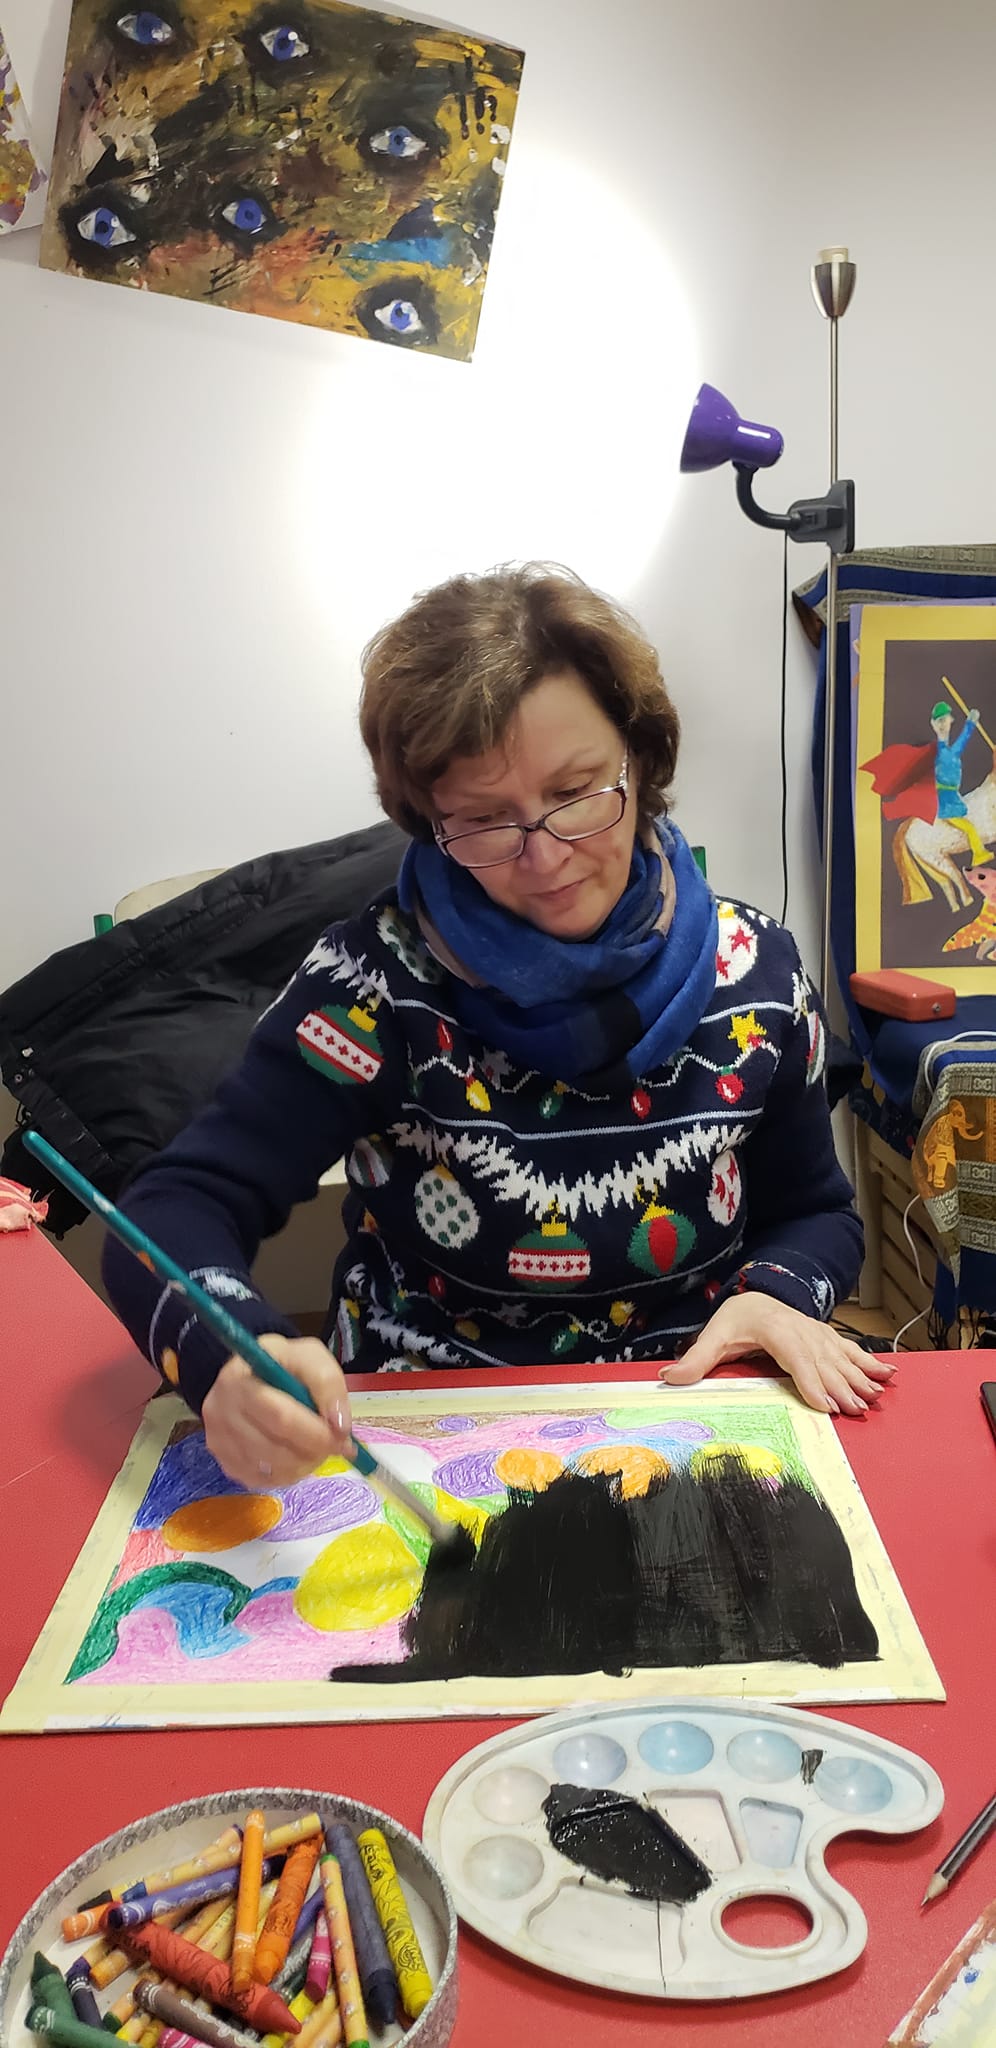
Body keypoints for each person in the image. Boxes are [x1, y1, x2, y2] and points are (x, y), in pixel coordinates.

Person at [103, 564, 884, 1491]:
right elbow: (171, 1209)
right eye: (482, 820)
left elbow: (817, 1213)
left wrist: (775, 1296)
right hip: (420, 1441)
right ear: (427, 819)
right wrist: (230, 1354)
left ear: (639, 761)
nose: (544, 857)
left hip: (688, 1416)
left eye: (577, 791)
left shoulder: (757, 976)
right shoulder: (372, 988)